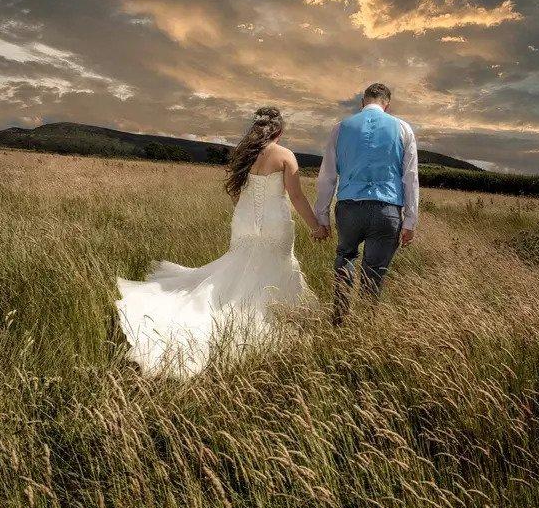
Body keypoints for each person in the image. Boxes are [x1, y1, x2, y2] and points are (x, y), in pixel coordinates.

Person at [115, 107, 322, 375]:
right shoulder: (285, 156)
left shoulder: (243, 155)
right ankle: (269, 316)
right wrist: (316, 226)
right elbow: (296, 197)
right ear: (279, 132)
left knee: (239, 265)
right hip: (274, 222)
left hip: (244, 220)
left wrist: (246, 211)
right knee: (274, 268)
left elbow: (236, 194)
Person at [314, 83, 420, 326]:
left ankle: (338, 322)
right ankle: (365, 330)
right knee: (374, 274)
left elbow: (327, 175)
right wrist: (410, 220)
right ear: (387, 104)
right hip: (387, 210)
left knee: (345, 259)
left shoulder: (340, 128)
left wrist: (322, 216)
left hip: (350, 208)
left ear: (362, 102)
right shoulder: (403, 129)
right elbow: (410, 177)